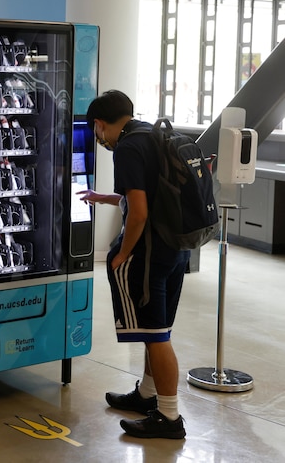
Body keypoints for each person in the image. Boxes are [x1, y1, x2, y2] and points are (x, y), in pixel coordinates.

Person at [78, 90, 189, 440]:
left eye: (96, 131)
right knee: (155, 330)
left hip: (149, 253)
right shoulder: (154, 133)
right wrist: (102, 197)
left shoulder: (126, 148)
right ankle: (147, 396)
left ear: (99, 124)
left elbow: (138, 212)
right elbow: (145, 196)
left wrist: (122, 254)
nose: (99, 139)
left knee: (156, 335)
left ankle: (169, 417)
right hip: (176, 247)